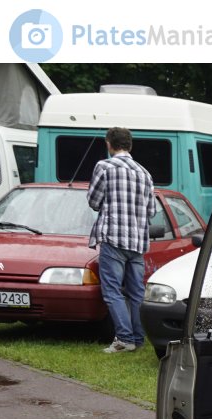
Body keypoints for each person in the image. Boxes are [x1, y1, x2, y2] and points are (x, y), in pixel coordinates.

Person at [87, 126, 157, 354]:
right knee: (136, 293)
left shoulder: (104, 167)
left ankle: (124, 338)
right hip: (137, 241)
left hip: (114, 238)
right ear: (130, 145)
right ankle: (137, 338)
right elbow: (151, 210)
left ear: (109, 144)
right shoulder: (144, 173)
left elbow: (94, 201)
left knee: (112, 291)